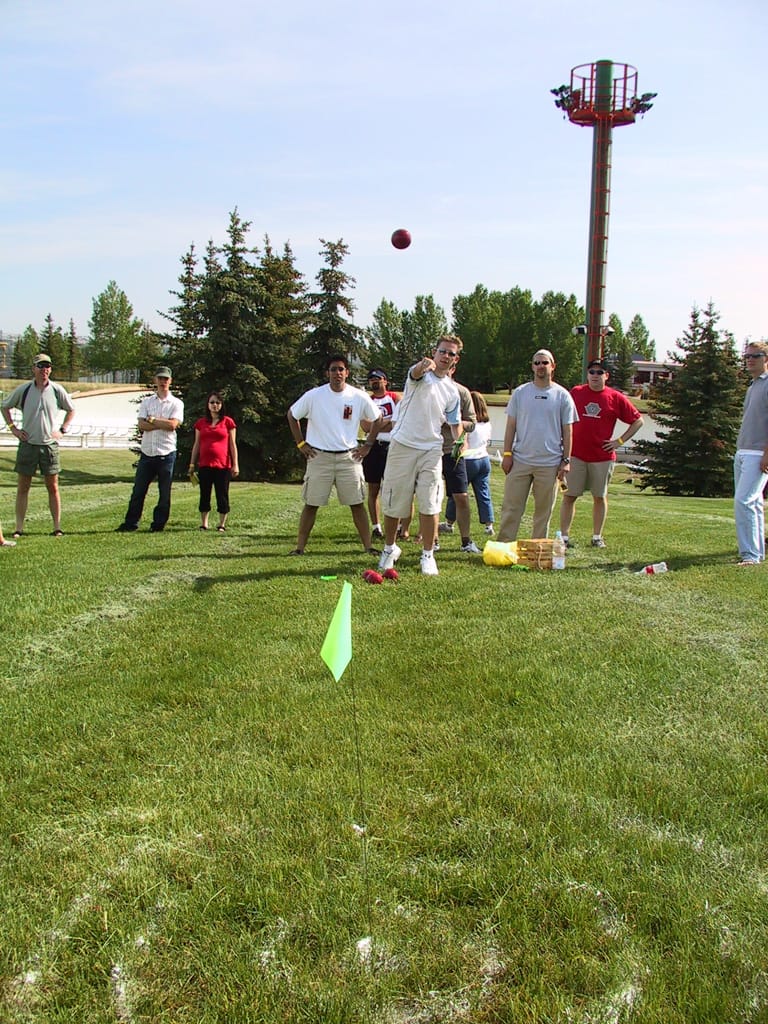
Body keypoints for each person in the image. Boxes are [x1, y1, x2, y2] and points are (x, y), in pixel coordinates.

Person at [375, 335, 463, 576]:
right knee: (394, 502)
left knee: (430, 500)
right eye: (442, 351)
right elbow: (414, 372)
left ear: (456, 360)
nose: (446, 356)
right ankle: (389, 548)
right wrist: (423, 366)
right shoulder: (419, 376)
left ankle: (427, 555)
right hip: (402, 445)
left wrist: (460, 441)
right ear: (435, 353)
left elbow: (455, 425)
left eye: (451, 354)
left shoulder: (453, 392)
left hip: (431, 450)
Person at [287, 353, 381, 555]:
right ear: (327, 373)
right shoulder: (314, 395)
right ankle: (299, 548)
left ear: (347, 373)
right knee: (311, 504)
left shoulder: (358, 396)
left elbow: (378, 419)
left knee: (357, 504)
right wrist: (301, 443)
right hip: (319, 457)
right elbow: (292, 415)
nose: (337, 373)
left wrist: (368, 445)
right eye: (333, 369)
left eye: (341, 369)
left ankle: (368, 547)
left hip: (349, 458)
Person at [559, 359, 644, 548]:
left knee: (599, 496)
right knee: (570, 495)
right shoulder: (576, 393)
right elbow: (562, 416)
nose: (595, 376)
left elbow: (638, 421)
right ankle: (564, 537)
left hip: (602, 457)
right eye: (592, 372)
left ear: (606, 376)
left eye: (599, 372)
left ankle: (597, 537)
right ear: (587, 375)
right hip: (575, 455)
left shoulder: (615, 397)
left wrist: (619, 441)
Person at [498, 348, 578, 542]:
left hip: (549, 464)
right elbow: (511, 426)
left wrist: (565, 461)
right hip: (520, 461)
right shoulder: (520, 393)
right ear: (532, 367)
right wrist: (507, 454)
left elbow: (568, 431)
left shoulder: (562, 395)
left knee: (543, 512)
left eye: (545, 362)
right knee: (511, 508)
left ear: (553, 366)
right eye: (537, 363)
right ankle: (504, 546)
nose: (541, 366)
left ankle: (537, 549)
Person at [1, 352, 75, 538]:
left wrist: (62, 430)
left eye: (47, 366)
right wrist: (14, 429)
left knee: (53, 486)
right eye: (41, 366)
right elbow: (5, 406)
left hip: (49, 446)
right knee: (23, 487)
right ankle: (19, 528)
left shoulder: (57, 390)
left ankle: (57, 527)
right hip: (28, 445)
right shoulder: (24, 390)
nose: (45, 370)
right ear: (33, 369)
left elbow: (71, 409)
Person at [116, 367, 184, 533]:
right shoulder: (147, 402)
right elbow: (142, 425)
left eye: (166, 379)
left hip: (166, 453)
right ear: (155, 380)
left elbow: (173, 425)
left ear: (170, 381)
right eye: (160, 378)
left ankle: (158, 524)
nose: (163, 382)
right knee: (138, 491)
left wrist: (152, 420)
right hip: (148, 453)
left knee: (164, 492)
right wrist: (161, 423)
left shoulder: (176, 403)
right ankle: (131, 523)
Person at [436, 368, 479, 553]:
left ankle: (466, 541)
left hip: (453, 451)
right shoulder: (430, 389)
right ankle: (432, 540)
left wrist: (455, 422)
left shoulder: (462, 392)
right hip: (430, 449)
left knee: (461, 496)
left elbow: (473, 422)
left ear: (453, 368)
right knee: (432, 496)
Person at [733, 341, 768, 565]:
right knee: (753, 504)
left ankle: (750, 555)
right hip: (743, 452)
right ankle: (757, 553)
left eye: (756, 356)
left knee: (743, 501)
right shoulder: (753, 385)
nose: (750, 359)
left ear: (766, 358)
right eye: (747, 356)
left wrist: (767, 453)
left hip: (758, 453)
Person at [443, 390, 495, 537]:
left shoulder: (467, 425)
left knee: (457, 493)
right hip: (484, 459)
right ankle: (488, 525)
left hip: (468, 459)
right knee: (484, 493)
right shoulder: (487, 424)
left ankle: (449, 522)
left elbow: (463, 440)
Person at [189, 391, 239, 531]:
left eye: (217, 402)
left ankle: (221, 524)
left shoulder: (228, 422)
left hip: (223, 465)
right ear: (208, 405)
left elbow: (232, 444)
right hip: (205, 464)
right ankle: (204, 523)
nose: (215, 405)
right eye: (212, 402)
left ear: (221, 405)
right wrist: (192, 464)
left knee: (222, 494)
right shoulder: (201, 423)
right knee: (204, 494)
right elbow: (197, 444)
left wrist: (235, 464)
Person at [362, 369, 400, 540]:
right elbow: (365, 426)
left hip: (392, 446)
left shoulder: (394, 398)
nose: (374, 382)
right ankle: (376, 526)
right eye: (371, 379)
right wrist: (385, 423)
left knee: (394, 488)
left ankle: (397, 526)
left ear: (385, 381)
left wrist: (376, 425)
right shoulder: (366, 401)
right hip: (373, 448)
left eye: (377, 379)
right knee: (373, 488)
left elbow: (398, 423)